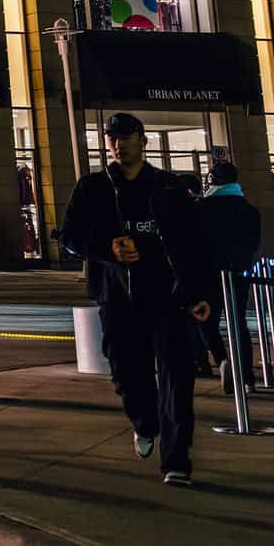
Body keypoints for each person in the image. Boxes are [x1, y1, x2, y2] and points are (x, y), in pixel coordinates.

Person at [61, 112, 214, 486]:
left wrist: (200, 293)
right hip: (117, 298)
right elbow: (69, 238)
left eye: (126, 136)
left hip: (169, 296)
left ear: (142, 140)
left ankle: (177, 460)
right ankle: (145, 423)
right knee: (128, 374)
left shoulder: (168, 187)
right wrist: (107, 249)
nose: (118, 143)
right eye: (112, 138)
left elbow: (192, 245)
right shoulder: (92, 188)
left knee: (177, 377)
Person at [195, 159, 261, 393]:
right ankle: (247, 377)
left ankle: (222, 358)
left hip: (208, 274)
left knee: (205, 320)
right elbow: (254, 243)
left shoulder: (202, 208)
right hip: (237, 273)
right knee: (239, 322)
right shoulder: (248, 209)